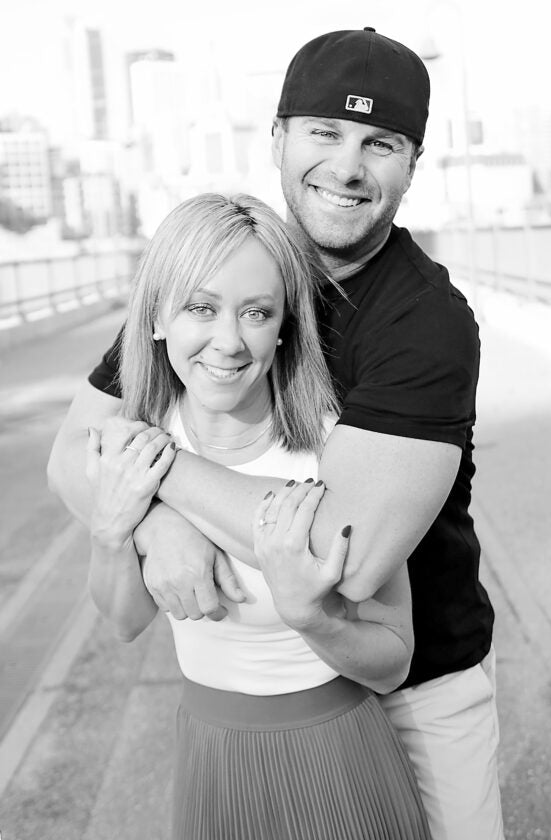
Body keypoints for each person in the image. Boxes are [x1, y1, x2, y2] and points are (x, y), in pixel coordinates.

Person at [48, 28, 504, 840]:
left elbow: (343, 557)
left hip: (416, 690)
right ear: (279, 138)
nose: (347, 166)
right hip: (251, 708)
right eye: (325, 132)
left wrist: (152, 473)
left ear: (413, 163)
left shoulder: (425, 323)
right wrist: (154, 526)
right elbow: (70, 454)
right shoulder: (229, 268)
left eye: (380, 143)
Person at [85, 192, 431, 840]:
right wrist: (118, 528)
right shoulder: (138, 443)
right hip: (209, 759)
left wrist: (313, 619)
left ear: (284, 326)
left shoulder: (333, 452)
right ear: (157, 316)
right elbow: (126, 622)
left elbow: (393, 661)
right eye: (201, 308)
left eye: (256, 312)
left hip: (337, 761)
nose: (229, 341)